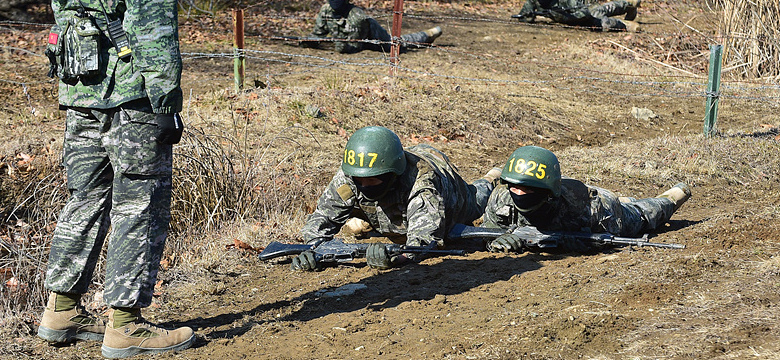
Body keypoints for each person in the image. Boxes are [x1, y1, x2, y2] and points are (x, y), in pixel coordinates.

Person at [38, 0, 196, 357]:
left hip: (80, 83)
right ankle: (125, 323)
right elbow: (154, 24)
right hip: (132, 92)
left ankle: (59, 311)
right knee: (139, 201)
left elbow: (63, 6)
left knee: (85, 195)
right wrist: (166, 99)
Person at [292, 126, 493, 271]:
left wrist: (396, 260)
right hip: (395, 188)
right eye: (360, 180)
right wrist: (315, 249)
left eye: (374, 180)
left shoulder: (423, 184)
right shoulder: (352, 172)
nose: (365, 185)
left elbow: (423, 241)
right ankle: (379, 223)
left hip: (449, 189)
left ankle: (492, 177)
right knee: (355, 226)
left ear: (392, 174)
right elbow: (321, 219)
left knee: (478, 198)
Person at [481, 145, 691, 253]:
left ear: (548, 193)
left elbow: (604, 239)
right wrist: (495, 242)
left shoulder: (589, 212)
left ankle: (669, 198)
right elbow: (486, 233)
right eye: (514, 186)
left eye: (528, 189)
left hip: (601, 206)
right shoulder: (500, 198)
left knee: (638, 216)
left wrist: (585, 246)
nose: (518, 193)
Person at [307, 0, 443, 53]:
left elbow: (352, 47)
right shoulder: (326, 10)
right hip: (360, 43)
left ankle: (428, 35)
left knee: (399, 44)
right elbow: (318, 34)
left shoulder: (357, 16)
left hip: (378, 41)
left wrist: (335, 43)